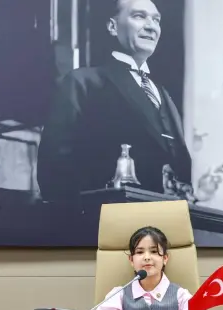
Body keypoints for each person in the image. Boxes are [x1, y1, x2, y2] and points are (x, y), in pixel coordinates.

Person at [36, 0, 192, 202]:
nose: (151, 26)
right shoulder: (84, 83)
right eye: (139, 16)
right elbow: (53, 168)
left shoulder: (162, 94)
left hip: (166, 217)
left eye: (156, 20)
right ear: (112, 26)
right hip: (107, 215)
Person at [90, 226, 205, 310]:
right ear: (131, 260)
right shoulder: (118, 294)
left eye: (154, 251)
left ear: (165, 258)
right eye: (140, 252)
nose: (147, 257)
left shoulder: (181, 295)